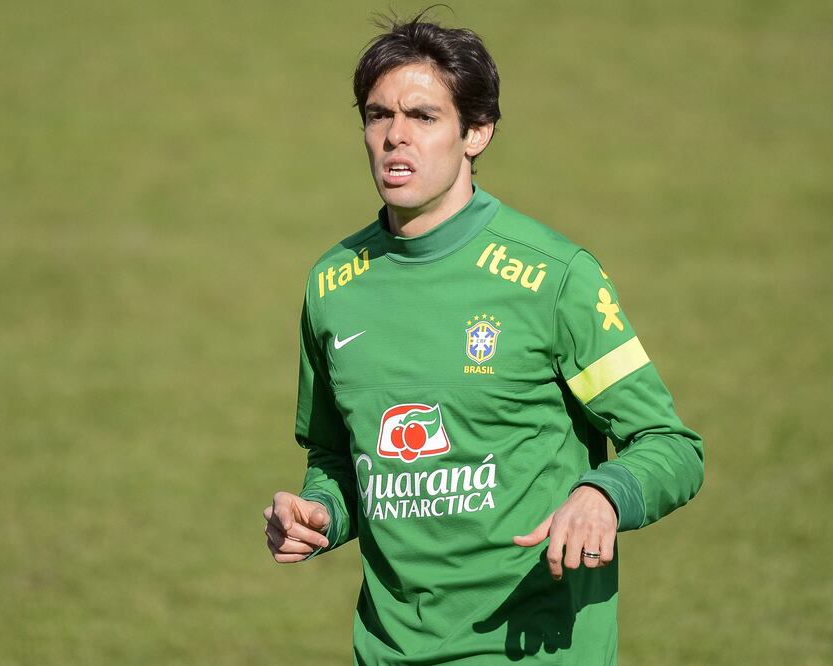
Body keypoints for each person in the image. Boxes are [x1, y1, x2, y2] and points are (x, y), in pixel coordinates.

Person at [263, 12, 703, 664]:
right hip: (389, 651)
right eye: (378, 116)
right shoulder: (334, 285)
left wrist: (602, 494)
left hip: (534, 650)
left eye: (423, 116)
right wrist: (321, 513)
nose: (394, 137)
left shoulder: (553, 278)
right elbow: (338, 458)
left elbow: (670, 446)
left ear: (476, 132)